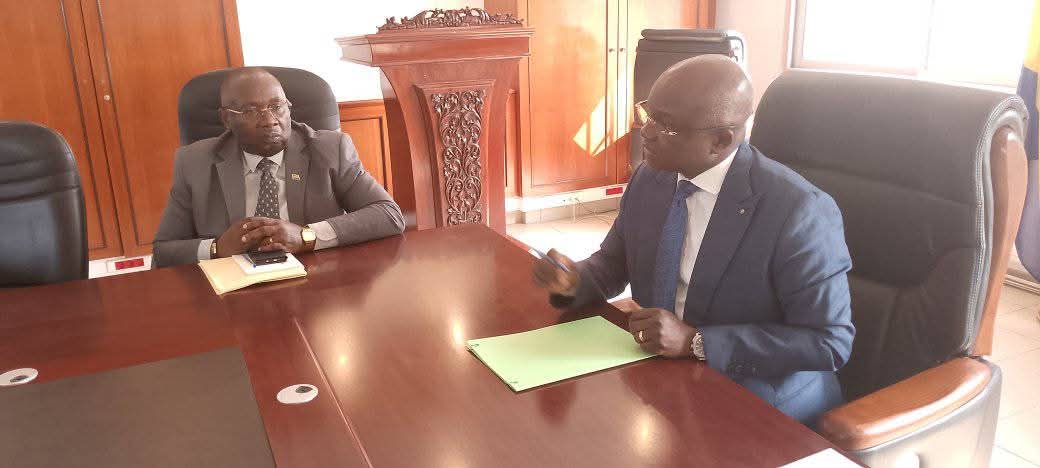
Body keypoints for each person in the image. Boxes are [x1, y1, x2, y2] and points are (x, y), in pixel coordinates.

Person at [532, 55, 855, 424]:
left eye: (666, 125)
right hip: (666, 383)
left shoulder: (799, 212)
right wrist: (574, 279)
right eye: (648, 114)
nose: (646, 131)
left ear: (720, 141)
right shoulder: (651, 177)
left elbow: (829, 341)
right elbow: (613, 263)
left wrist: (696, 341)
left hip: (762, 403)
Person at [153, 68, 404, 267]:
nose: (270, 120)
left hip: (314, 281)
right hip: (234, 286)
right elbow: (164, 249)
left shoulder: (330, 149)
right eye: (251, 110)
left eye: (277, 107)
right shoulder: (194, 162)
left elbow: (388, 214)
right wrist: (217, 248)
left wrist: (307, 236)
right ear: (227, 118)